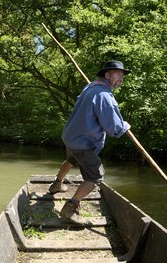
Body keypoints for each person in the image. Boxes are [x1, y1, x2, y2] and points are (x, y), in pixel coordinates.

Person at [49, 60, 131, 225]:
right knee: (95, 177)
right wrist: (125, 126)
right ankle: (70, 209)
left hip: (71, 137)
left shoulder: (91, 86)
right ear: (107, 75)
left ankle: (57, 184)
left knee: (72, 159)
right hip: (82, 142)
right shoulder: (104, 95)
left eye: (122, 75)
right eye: (117, 74)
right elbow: (114, 128)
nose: (121, 78)